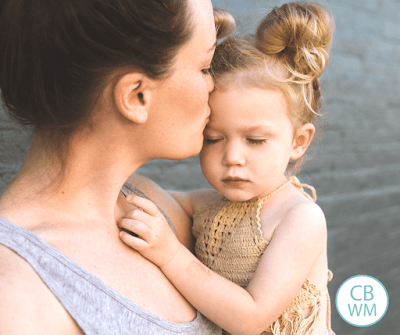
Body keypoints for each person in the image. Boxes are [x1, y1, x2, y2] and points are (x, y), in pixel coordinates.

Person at [0, 0, 235, 333]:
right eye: (205, 67)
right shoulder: (16, 295)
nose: (214, 86)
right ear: (136, 95)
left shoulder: (153, 208)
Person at [117, 3, 336, 335]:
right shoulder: (207, 206)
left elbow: (250, 318)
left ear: (298, 141)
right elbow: (140, 191)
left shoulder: (299, 218)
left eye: (255, 140)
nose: (232, 156)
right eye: (214, 138)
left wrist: (170, 254)